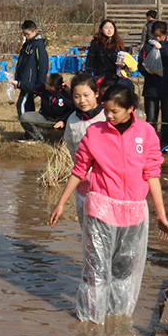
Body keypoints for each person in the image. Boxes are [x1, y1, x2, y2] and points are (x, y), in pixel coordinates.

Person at [49, 84, 168, 324]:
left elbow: (152, 174)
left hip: (133, 211)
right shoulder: (95, 132)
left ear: (130, 109)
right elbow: (79, 170)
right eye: (106, 111)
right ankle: (91, 323)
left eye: (115, 111)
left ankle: (117, 319)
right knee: (96, 269)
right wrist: (61, 203)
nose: (109, 116)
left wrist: (161, 213)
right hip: (101, 208)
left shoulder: (146, 133)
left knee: (123, 269)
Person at [64, 73, 106, 226]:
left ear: (96, 93)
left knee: (103, 227)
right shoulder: (72, 120)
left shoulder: (106, 118)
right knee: (86, 227)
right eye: (76, 96)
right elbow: (70, 146)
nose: (82, 101)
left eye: (86, 95)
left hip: (105, 184)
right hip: (82, 183)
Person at [137, 20, 168, 148]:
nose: (158, 39)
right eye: (155, 36)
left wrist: (162, 50)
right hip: (151, 87)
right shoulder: (147, 46)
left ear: (165, 34)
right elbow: (141, 63)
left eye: (160, 36)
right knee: (151, 117)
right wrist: (148, 72)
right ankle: (151, 144)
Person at [12, 20, 49, 138]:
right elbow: (21, 63)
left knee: (21, 107)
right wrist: (17, 78)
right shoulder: (26, 45)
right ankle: (29, 134)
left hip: (32, 84)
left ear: (35, 32)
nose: (26, 37)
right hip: (24, 82)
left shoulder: (38, 46)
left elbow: (42, 66)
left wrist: (39, 83)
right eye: (24, 35)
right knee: (28, 107)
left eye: (28, 34)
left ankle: (34, 135)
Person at [21, 73, 75, 142]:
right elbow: (31, 88)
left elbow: (73, 112)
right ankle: (37, 138)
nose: (44, 83)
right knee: (24, 117)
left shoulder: (67, 95)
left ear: (52, 87)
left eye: (46, 82)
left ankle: (66, 140)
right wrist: (19, 84)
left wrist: (63, 121)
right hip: (45, 118)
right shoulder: (43, 89)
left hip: (60, 122)